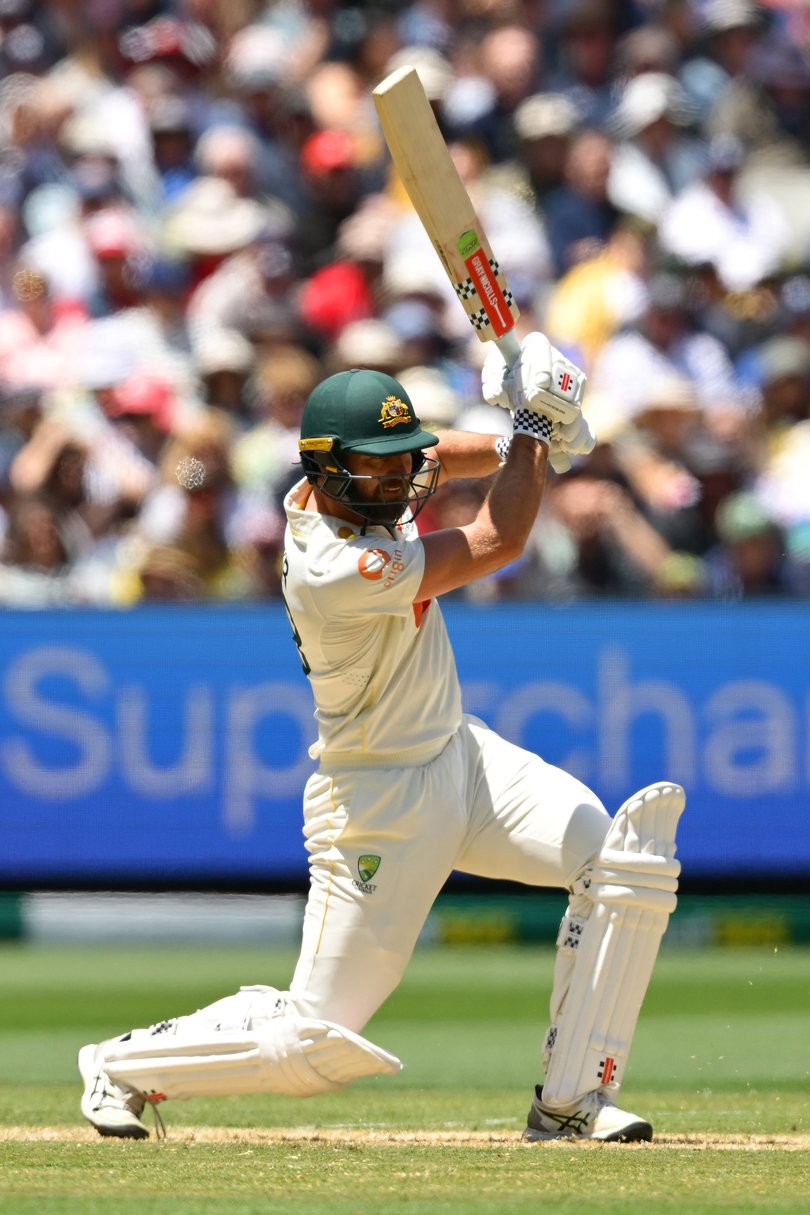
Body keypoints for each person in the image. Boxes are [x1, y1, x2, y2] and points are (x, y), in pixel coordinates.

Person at [77, 332, 686, 1143]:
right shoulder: (333, 565)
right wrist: (538, 433)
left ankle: (572, 1099)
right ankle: (121, 1064)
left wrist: (526, 430)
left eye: (404, 464)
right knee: (311, 1036)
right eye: (382, 467)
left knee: (618, 861)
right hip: (378, 803)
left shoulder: (360, 483)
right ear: (327, 470)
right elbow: (498, 541)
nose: (401, 480)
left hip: (463, 758)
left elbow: (449, 456)